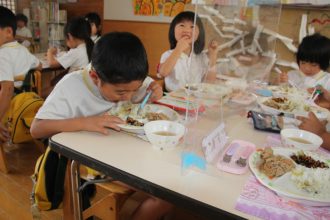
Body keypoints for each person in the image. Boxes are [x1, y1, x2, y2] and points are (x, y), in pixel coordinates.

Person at [31, 32, 172, 220]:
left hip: (125, 150)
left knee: (172, 183)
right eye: (120, 92)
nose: (128, 97)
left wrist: (154, 88)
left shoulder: (127, 77)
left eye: (134, 90)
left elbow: (144, 87)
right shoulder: (71, 86)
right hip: (89, 160)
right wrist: (85, 122)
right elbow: (36, 129)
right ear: (95, 77)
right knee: (165, 195)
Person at [0, 6, 41, 143]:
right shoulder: (22, 49)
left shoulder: (2, 55)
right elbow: (39, 65)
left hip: (9, 106)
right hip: (24, 101)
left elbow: (7, 89)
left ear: (8, 31)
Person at [158, 11, 218, 92]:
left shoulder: (201, 57)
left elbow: (209, 82)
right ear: (173, 30)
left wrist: (213, 56)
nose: (186, 30)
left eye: (192, 27)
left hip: (194, 98)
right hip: (172, 98)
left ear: (199, 33)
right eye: (182, 25)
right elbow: (163, 73)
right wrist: (178, 49)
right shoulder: (167, 54)